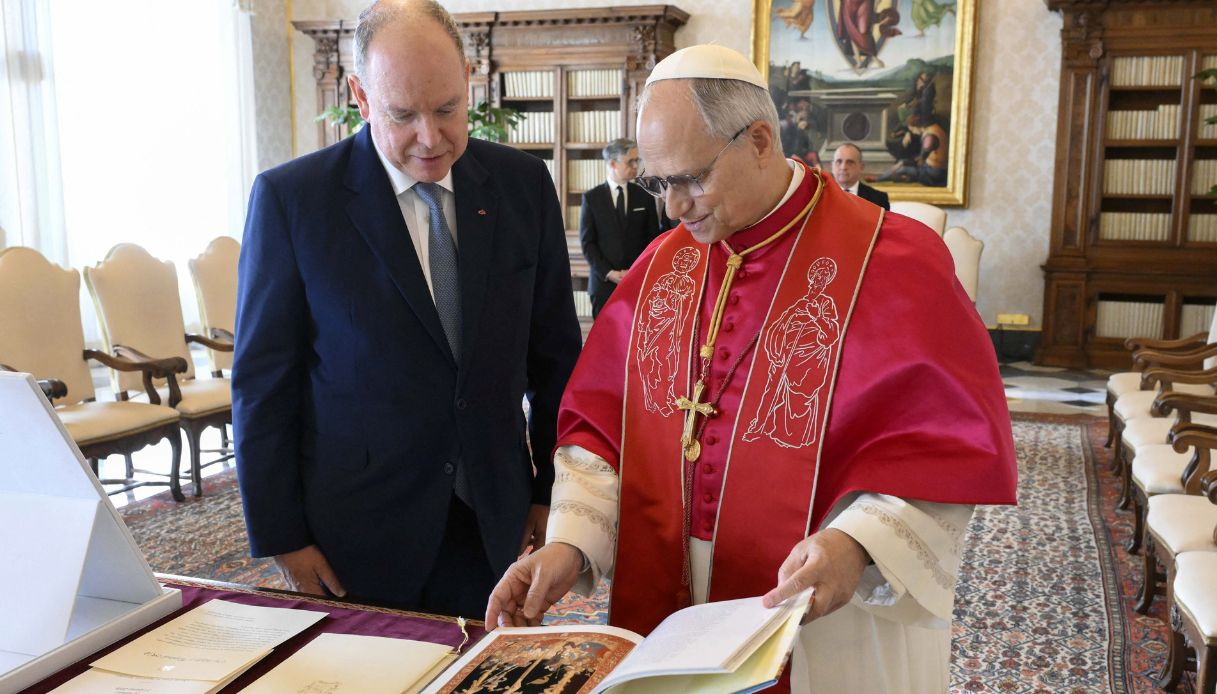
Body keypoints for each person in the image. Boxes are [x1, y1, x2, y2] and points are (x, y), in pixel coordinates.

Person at [485, 44, 1016, 692]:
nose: (673, 207)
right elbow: (600, 429)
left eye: (689, 178)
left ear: (760, 140)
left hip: (821, 617)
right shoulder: (658, 268)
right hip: (673, 603)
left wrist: (857, 543)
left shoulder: (892, 261)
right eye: (657, 183)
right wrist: (570, 543)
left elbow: (941, 444)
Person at [232, 0, 581, 618]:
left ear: (468, 80)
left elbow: (556, 360)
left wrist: (551, 493)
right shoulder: (294, 202)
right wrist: (283, 536)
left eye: (448, 109)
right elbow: (263, 383)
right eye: (403, 115)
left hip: (494, 518)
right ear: (361, 98)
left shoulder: (523, 186)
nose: (432, 136)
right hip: (355, 532)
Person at [579, 138, 661, 318]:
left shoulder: (644, 196)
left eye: (637, 161)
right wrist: (610, 273)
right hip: (603, 284)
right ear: (613, 163)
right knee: (604, 342)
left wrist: (636, 271)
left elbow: (653, 239)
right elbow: (588, 243)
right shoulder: (592, 198)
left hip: (638, 281)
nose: (635, 166)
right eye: (631, 161)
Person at [831, 142, 889, 209]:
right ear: (832, 166)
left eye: (850, 162)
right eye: (839, 161)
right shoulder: (820, 196)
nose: (843, 167)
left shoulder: (879, 199)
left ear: (861, 167)